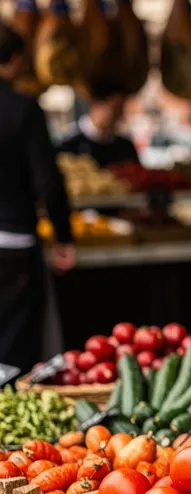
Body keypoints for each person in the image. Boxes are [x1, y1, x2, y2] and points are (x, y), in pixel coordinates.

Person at [0, 24, 75, 374]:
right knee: (15, 348)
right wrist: (64, 236)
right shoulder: (23, 108)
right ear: (13, 60)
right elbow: (49, 180)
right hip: (15, 243)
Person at [58, 80, 140, 167]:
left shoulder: (126, 148)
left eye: (121, 109)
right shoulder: (70, 146)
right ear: (95, 103)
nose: (119, 115)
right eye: (114, 108)